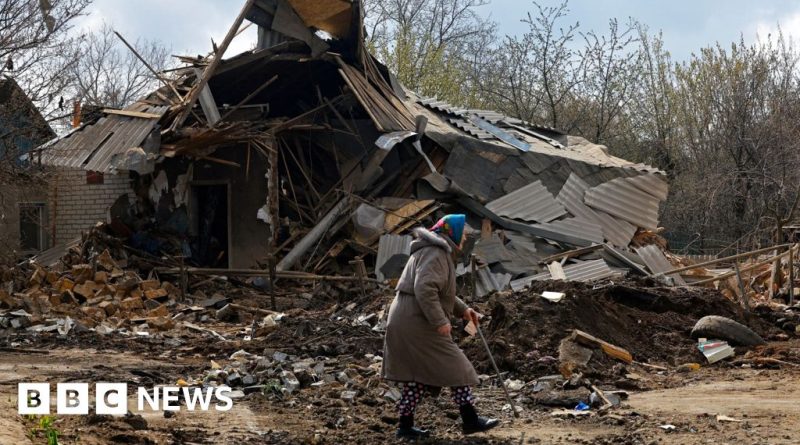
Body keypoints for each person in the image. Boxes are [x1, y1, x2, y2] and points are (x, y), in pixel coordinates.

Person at [382, 214, 500, 439]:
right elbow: (425, 289)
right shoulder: (437, 252)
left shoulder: (432, 250)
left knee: (416, 376)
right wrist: (440, 321)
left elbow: (439, 291)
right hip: (417, 321)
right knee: (457, 367)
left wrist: (464, 310)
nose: (464, 240)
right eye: (463, 235)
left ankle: (405, 427)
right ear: (452, 233)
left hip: (407, 318)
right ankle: (470, 420)